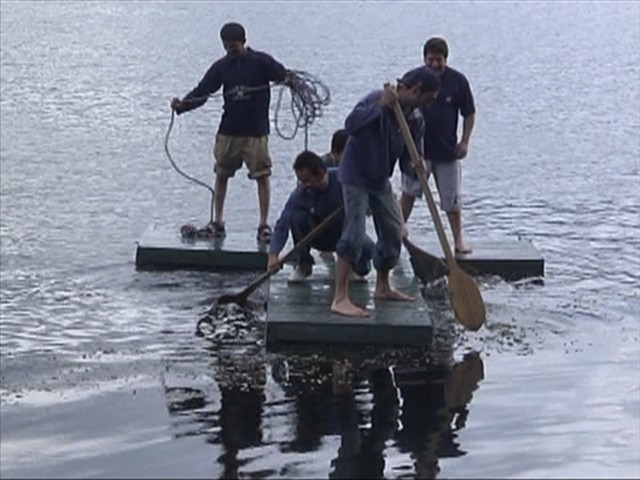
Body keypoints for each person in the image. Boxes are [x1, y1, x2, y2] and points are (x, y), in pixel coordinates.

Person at [331, 66, 441, 318]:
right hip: (356, 174)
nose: (429, 103)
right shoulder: (376, 99)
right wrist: (380, 106)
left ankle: (382, 286)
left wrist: (416, 164)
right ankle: (340, 297)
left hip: (380, 178)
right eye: (429, 98)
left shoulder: (415, 118)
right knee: (354, 233)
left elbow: (408, 156)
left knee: (393, 233)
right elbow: (351, 125)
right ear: (416, 90)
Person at [170, 22, 292, 244]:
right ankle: (218, 221)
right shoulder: (221, 67)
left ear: (244, 41)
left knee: (262, 176)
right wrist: (183, 105)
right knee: (222, 174)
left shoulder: (262, 62)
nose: (230, 50)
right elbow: (203, 91)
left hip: (256, 132)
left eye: (233, 46)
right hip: (229, 130)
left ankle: (264, 225)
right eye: (226, 47)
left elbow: (284, 75)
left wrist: (294, 83)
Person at [399, 36, 476, 254]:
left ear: (446, 59)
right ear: (424, 58)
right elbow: (400, 112)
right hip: (416, 151)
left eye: (438, 60)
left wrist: (465, 141)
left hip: (446, 151)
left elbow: (469, 114)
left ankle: (458, 240)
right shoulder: (412, 79)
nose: (434, 64)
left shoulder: (458, 81)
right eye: (430, 60)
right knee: (408, 193)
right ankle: (395, 234)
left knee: (452, 201)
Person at [267, 150, 374, 283]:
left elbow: (372, 201)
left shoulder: (345, 179)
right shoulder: (301, 193)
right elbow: (283, 223)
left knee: (368, 248)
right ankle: (304, 265)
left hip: (347, 235)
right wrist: (273, 254)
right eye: (300, 181)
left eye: (306, 180)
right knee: (297, 218)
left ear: (321, 174)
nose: (303, 185)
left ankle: (355, 268)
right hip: (320, 237)